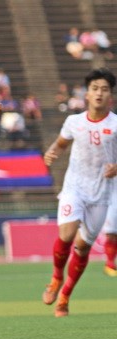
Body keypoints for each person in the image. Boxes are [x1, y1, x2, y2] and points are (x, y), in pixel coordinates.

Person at [42, 68, 117, 317]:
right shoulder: (74, 122)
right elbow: (61, 144)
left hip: (101, 194)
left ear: (111, 96)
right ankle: (55, 278)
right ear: (87, 94)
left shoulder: (115, 125)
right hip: (74, 187)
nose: (99, 93)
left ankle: (65, 295)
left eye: (104, 89)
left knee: (83, 248)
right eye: (95, 88)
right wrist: (52, 151)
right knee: (67, 234)